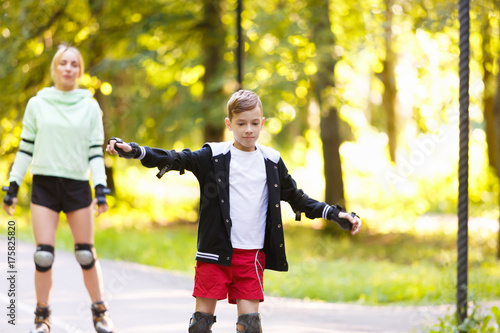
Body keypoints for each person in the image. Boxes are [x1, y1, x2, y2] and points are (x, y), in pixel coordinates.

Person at [106, 89, 362, 333]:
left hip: (251, 256)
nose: (248, 130)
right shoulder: (213, 156)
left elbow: (297, 198)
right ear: (229, 124)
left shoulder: (271, 161)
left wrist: (334, 214)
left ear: (262, 122)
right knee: (201, 324)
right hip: (214, 252)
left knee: (250, 325)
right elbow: (175, 158)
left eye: (254, 123)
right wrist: (137, 151)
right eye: (241, 124)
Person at [2, 45, 115, 333]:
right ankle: (42, 317)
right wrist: (13, 185)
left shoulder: (90, 106)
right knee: (43, 255)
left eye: (74, 64)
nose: (68, 68)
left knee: (86, 254)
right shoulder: (37, 104)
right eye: (63, 63)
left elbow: (95, 152)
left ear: (80, 70)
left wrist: (100, 188)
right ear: (54, 68)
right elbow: (25, 149)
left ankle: (100, 313)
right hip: (45, 185)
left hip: (77, 186)